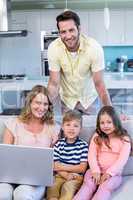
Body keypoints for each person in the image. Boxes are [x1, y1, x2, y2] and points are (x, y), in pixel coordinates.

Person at [0, 85, 60, 200]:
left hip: (36, 181)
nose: (41, 108)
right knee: (2, 194)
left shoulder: (53, 128)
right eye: (37, 103)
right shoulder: (13, 124)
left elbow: (55, 159)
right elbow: (5, 157)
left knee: (22, 194)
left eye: (45, 104)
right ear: (30, 103)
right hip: (10, 177)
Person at [47, 10, 111, 115]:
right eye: (63, 32)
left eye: (71, 30)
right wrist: (44, 106)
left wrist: (110, 112)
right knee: (70, 131)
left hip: (90, 101)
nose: (68, 36)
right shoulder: (54, 48)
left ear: (79, 29)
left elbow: (99, 84)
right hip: (67, 102)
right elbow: (54, 84)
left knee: (92, 129)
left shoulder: (94, 47)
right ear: (59, 33)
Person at [73, 106, 132, 200]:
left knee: (105, 187)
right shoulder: (97, 136)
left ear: (116, 122)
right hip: (95, 171)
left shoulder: (124, 139)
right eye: (102, 123)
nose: (106, 125)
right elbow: (91, 155)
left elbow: (122, 161)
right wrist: (95, 170)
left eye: (109, 122)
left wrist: (109, 173)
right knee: (88, 185)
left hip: (114, 175)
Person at [46, 110, 88, 200]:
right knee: (52, 186)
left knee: (68, 187)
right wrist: (66, 175)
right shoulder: (58, 144)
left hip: (76, 177)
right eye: (68, 125)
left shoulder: (83, 145)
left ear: (80, 129)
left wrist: (62, 167)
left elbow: (82, 168)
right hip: (59, 175)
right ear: (62, 127)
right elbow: (54, 166)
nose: (71, 128)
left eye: (75, 126)